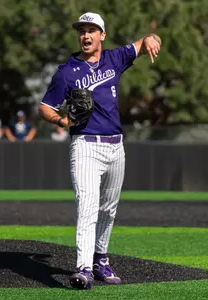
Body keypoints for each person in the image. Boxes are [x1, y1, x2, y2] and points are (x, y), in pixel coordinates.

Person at [37, 12, 161, 290]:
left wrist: (153, 39)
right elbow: (45, 107)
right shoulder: (66, 72)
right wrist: (60, 120)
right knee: (87, 204)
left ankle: (100, 259)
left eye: (92, 30)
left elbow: (146, 41)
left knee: (109, 208)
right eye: (82, 30)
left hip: (116, 146)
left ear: (102, 35)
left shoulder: (114, 59)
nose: (86, 35)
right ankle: (83, 268)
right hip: (85, 145)